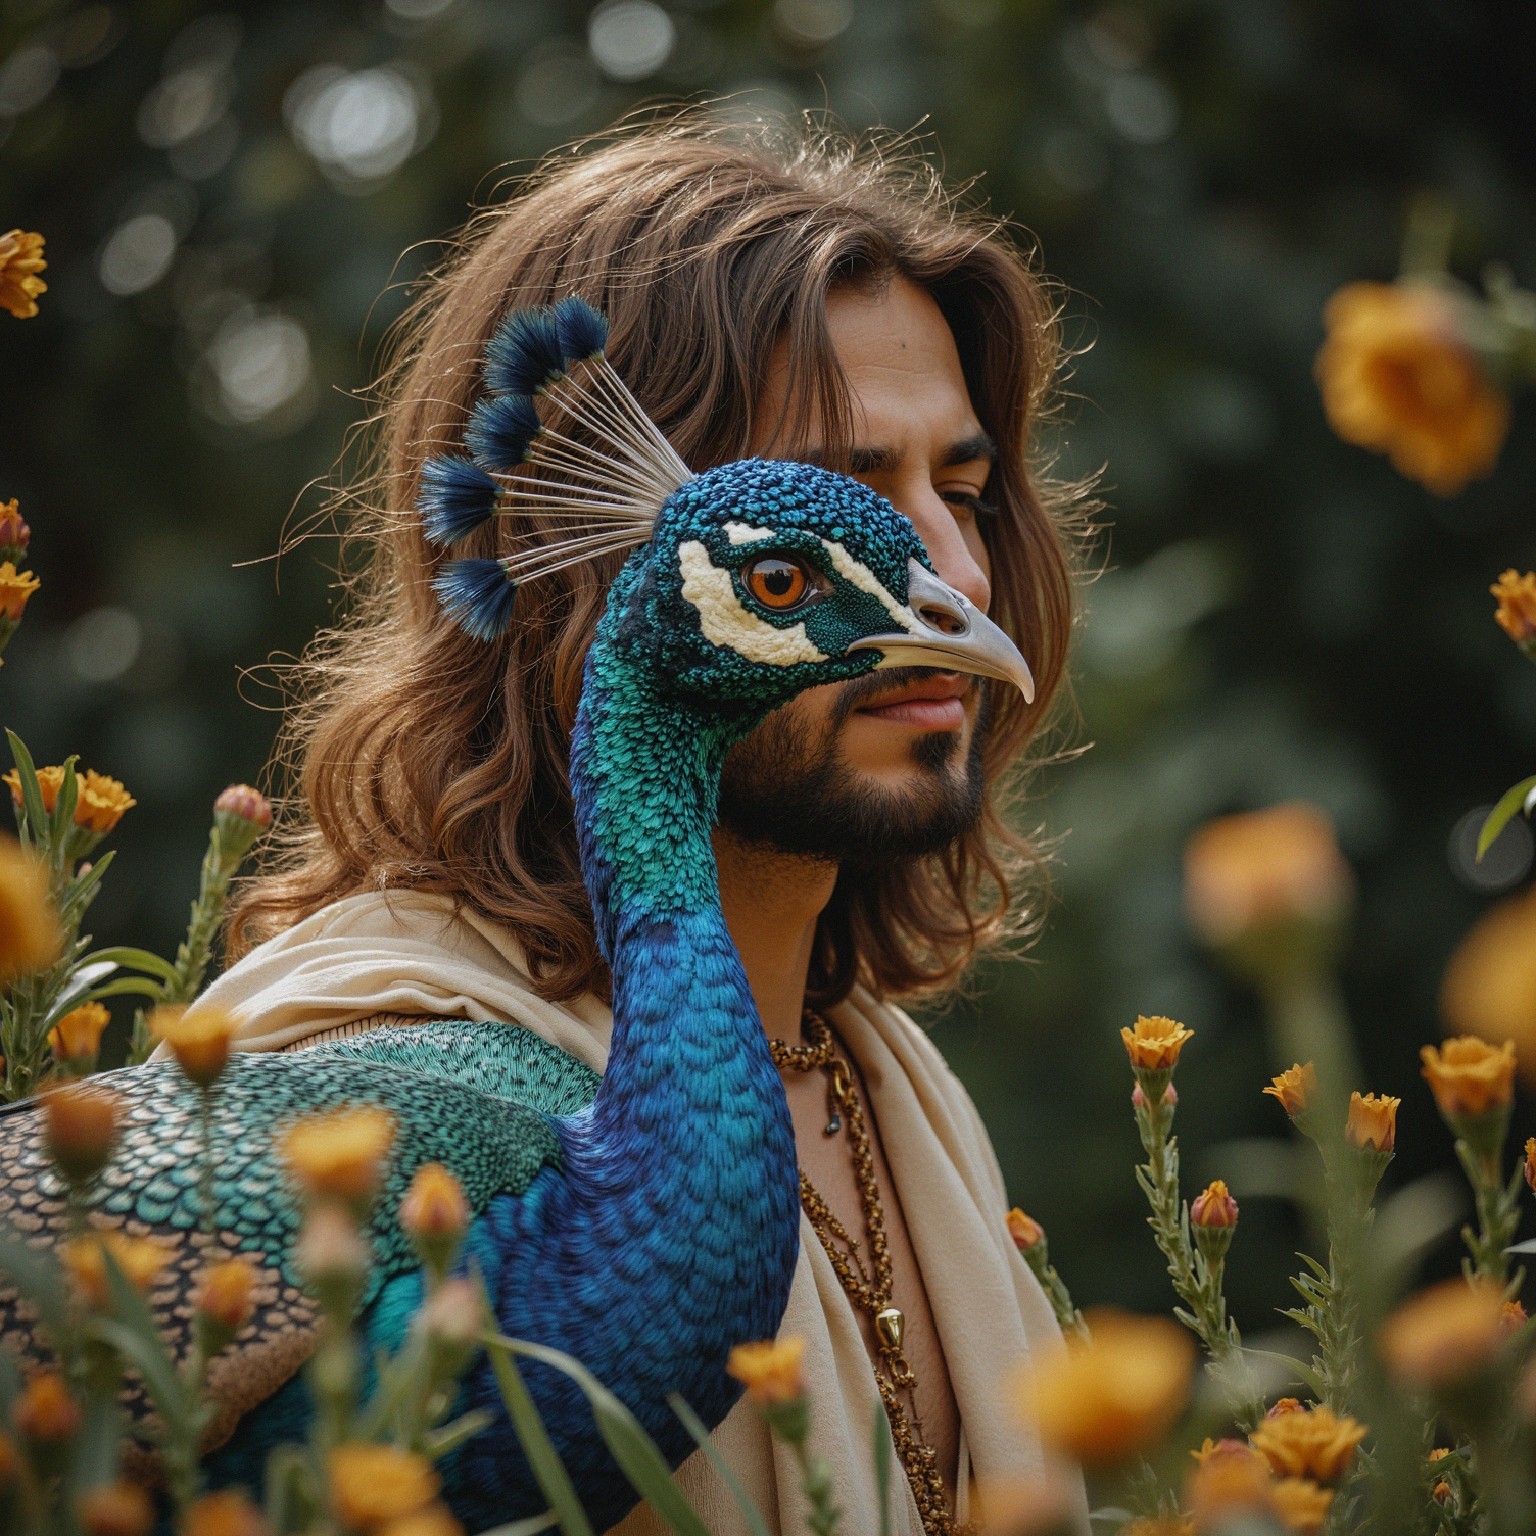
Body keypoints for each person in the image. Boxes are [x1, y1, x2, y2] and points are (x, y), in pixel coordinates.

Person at [193, 113, 1093, 1535]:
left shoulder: (896, 1095)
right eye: (847, 507)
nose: (958, 576)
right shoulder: (360, 1094)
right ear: (605, 583)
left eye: (966, 493)